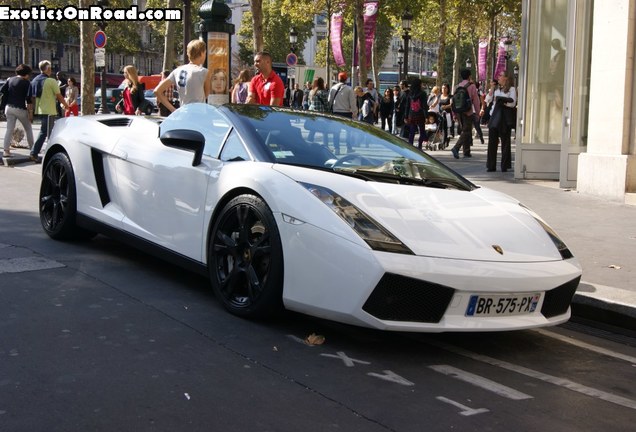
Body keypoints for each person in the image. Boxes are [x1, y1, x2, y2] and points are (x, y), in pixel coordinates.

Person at [154, 39, 212, 112]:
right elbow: (206, 94)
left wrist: (174, 110)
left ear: (188, 54)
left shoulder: (177, 71)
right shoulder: (204, 72)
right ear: (202, 53)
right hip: (198, 114)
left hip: (183, 112)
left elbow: (157, 91)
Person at [29, 60, 69, 162]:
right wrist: (66, 105)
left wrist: (31, 111)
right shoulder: (51, 81)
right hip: (49, 109)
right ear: (48, 69)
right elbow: (59, 95)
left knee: (47, 132)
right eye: (50, 68)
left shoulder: (34, 80)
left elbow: (32, 97)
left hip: (40, 109)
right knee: (45, 132)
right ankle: (34, 153)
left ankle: (46, 152)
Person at [485, 74, 517, 172]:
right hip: (494, 117)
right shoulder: (496, 89)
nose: (498, 78)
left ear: (506, 78)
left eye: (501, 76)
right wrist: (492, 87)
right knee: (492, 142)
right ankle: (491, 165)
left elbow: (512, 103)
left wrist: (501, 101)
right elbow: (488, 99)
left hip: (504, 118)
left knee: (505, 142)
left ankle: (505, 165)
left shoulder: (511, 89)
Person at [2, 64, 35, 158]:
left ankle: (6, 151)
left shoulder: (10, 79)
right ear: (27, 74)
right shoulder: (26, 82)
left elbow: (2, 90)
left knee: (9, 129)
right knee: (28, 128)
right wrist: (30, 113)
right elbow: (28, 99)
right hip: (20, 108)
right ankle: (32, 150)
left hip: (8, 107)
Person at [450, 68, 480, 159]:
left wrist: (454, 113)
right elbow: (476, 101)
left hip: (459, 112)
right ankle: (456, 147)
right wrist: (478, 113)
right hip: (468, 111)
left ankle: (466, 151)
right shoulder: (472, 86)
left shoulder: (457, 86)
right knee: (466, 131)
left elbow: (453, 101)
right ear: (469, 76)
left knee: (465, 129)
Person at [403, 78, 428, 150]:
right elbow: (424, 106)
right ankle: (419, 146)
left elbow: (407, 105)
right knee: (422, 131)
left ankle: (410, 145)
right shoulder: (423, 93)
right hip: (420, 114)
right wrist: (426, 116)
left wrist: (405, 116)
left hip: (411, 114)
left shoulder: (410, 93)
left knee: (412, 131)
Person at [439, 82, 454, 147]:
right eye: (442, 88)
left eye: (445, 88)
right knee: (440, 128)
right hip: (440, 114)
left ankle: (444, 141)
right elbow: (435, 102)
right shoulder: (439, 96)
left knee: (445, 128)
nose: (443, 89)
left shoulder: (450, 96)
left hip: (447, 114)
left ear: (448, 89)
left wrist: (445, 107)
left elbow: (451, 104)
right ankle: (444, 140)